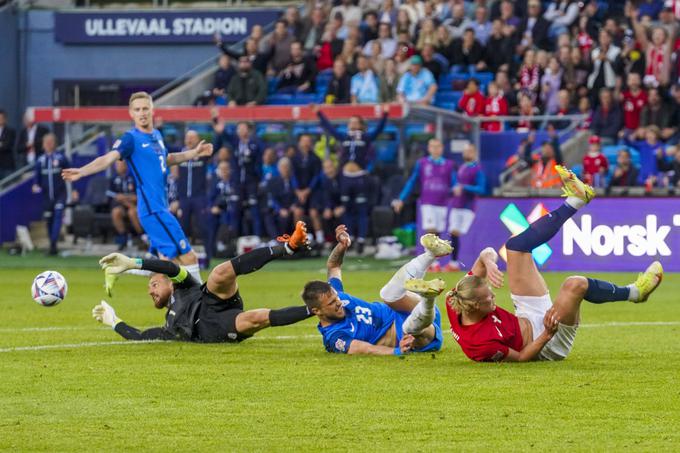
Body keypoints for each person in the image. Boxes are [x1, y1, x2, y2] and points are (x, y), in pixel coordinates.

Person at [445, 166, 663, 362]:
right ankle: (635, 293)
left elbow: (487, 253)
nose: (494, 297)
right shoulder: (480, 345)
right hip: (546, 344)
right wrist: (548, 333)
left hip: (526, 313)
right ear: (474, 306)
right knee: (575, 284)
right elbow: (522, 358)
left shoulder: (457, 298)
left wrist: (489, 262)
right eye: (488, 298)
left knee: (515, 246)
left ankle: (576, 199)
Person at [62, 92, 210, 282]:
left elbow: (166, 159)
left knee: (165, 266)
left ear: (152, 110)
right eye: (137, 109)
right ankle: (203, 304)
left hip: (159, 207)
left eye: (145, 108)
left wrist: (194, 153)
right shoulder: (130, 139)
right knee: (189, 258)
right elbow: (109, 158)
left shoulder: (156, 135)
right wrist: (82, 171)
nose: (142, 113)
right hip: (152, 210)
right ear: (131, 113)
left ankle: (120, 268)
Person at [92, 222, 313, 343]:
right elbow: (139, 337)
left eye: (154, 284)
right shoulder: (169, 328)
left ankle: (287, 247)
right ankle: (315, 308)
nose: (150, 291)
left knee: (219, 273)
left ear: (170, 284)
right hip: (212, 328)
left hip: (212, 300)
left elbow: (170, 268)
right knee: (256, 318)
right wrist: (114, 321)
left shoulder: (184, 285)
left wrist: (133, 262)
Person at [302, 225, 449, 355]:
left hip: (403, 308)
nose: (339, 302)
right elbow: (361, 348)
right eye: (332, 303)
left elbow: (333, 266)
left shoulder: (335, 295)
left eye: (336, 298)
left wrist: (342, 246)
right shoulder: (334, 336)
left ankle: (430, 255)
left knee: (388, 295)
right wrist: (396, 351)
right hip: (414, 336)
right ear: (317, 311)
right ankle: (427, 298)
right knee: (409, 328)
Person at [313, 103, 389, 254]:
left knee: (361, 209)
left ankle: (361, 239)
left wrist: (385, 115)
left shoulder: (366, 137)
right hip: (346, 177)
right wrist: (319, 114)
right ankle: (350, 238)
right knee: (347, 209)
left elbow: (379, 130)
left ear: (360, 125)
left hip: (360, 177)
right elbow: (330, 129)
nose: (352, 124)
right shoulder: (344, 136)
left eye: (355, 122)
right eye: (351, 122)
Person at [392, 138, 456, 271]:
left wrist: (456, 189)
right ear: (429, 148)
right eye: (432, 146)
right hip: (428, 202)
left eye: (438, 147)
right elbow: (412, 181)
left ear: (442, 148)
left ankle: (434, 261)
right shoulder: (422, 163)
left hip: (443, 203)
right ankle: (431, 263)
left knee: (437, 233)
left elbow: (454, 182)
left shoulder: (449, 164)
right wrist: (401, 199)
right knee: (431, 230)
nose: (435, 149)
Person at [32, 133, 72, 255]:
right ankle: (53, 245)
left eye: (51, 142)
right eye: (46, 142)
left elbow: (71, 173)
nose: (49, 145)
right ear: (43, 145)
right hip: (46, 197)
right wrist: (35, 185)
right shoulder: (40, 160)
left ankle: (53, 242)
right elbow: (37, 177)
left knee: (58, 216)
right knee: (49, 219)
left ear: (55, 144)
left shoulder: (61, 158)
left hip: (60, 194)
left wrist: (74, 190)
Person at [175, 130, 211, 247]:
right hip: (183, 198)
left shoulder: (203, 154)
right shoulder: (179, 153)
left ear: (198, 140)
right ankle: (183, 255)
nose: (189, 140)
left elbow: (219, 145)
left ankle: (208, 254)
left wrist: (219, 132)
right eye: (187, 137)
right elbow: (163, 147)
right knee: (182, 228)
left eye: (192, 137)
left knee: (204, 226)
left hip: (199, 197)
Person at [292, 134, 324, 246]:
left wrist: (308, 190)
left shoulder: (316, 159)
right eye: (303, 141)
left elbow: (316, 176)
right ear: (299, 143)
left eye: (308, 141)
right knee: (297, 212)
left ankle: (320, 240)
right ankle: (299, 238)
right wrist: (297, 190)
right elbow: (293, 175)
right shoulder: (294, 158)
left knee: (313, 213)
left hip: (313, 191)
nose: (306, 143)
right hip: (299, 192)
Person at [207, 160, 240, 262]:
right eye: (222, 169)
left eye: (226, 169)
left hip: (233, 212)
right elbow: (209, 199)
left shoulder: (235, 183)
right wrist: (213, 207)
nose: (224, 171)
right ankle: (213, 251)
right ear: (218, 171)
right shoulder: (214, 184)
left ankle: (231, 250)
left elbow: (238, 198)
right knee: (213, 218)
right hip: (219, 212)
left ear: (230, 170)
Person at [107, 160, 142, 251]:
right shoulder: (113, 179)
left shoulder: (133, 177)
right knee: (116, 212)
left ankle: (141, 237)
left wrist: (125, 197)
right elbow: (112, 196)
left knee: (132, 212)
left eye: (121, 164)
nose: (119, 166)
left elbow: (139, 196)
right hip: (121, 205)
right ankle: (123, 238)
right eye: (117, 165)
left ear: (126, 166)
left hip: (135, 206)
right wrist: (124, 201)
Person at [0, 109, 16, 177]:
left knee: (8, 185)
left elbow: (7, 145)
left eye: (1, 118)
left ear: (5, 119)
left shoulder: (10, 131)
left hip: (7, 165)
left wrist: (2, 144)